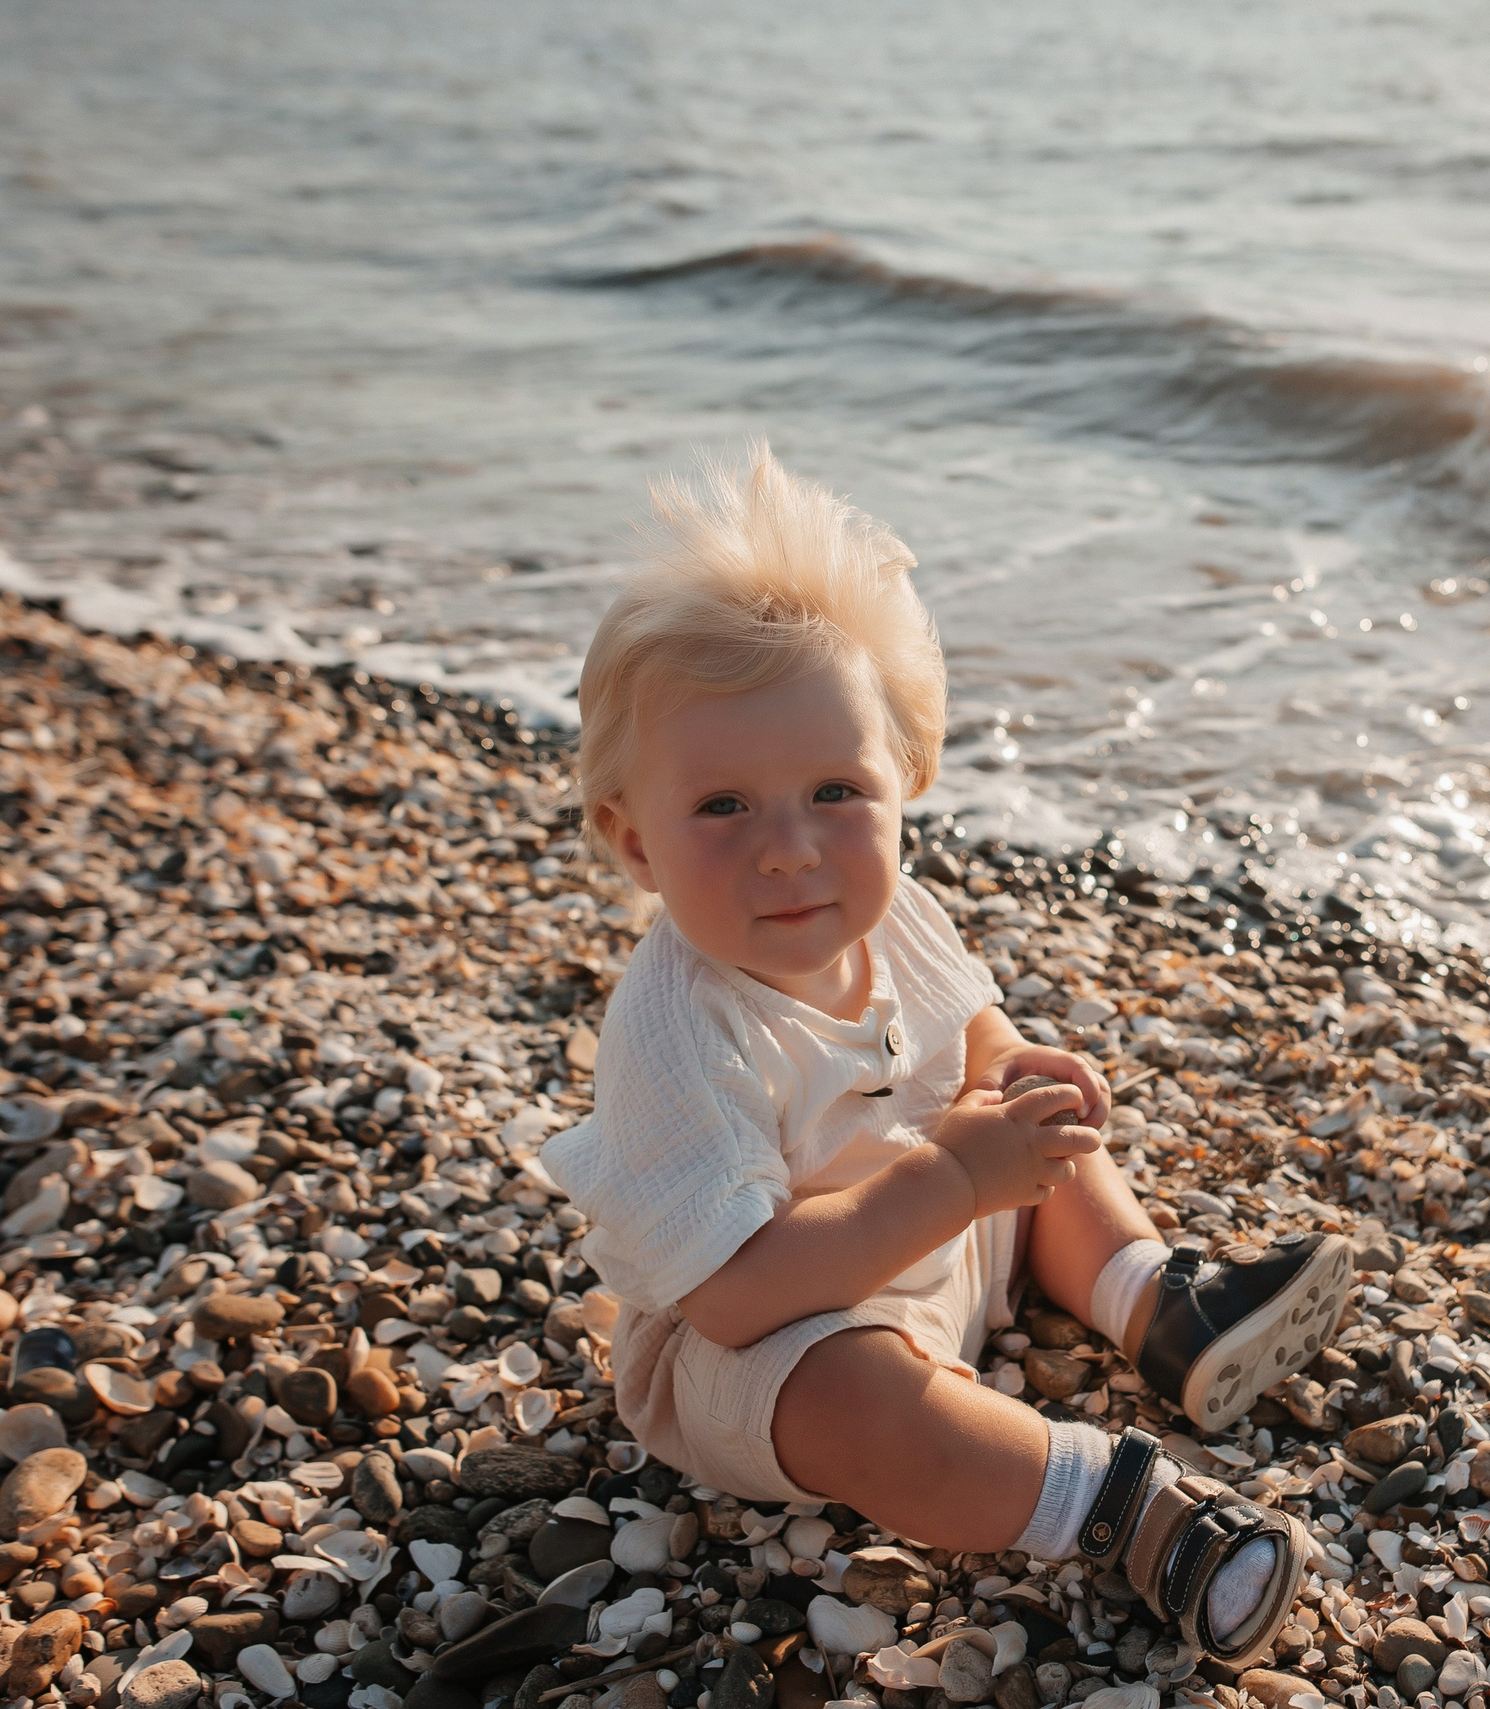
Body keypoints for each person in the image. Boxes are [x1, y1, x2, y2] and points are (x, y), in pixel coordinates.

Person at [542, 447, 1352, 1666]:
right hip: (763, 1350)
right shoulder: (676, 1032)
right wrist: (958, 1177)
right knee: (856, 1399)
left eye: (835, 790)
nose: (789, 848)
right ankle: (1127, 1509)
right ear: (634, 840)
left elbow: (977, 1033)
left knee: (1026, 1114)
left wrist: (1021, 1078)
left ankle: (1158, 1303)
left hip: (935, 1243)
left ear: (905, 779)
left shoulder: (899, 916)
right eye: (722, 806)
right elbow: (735, 1292)